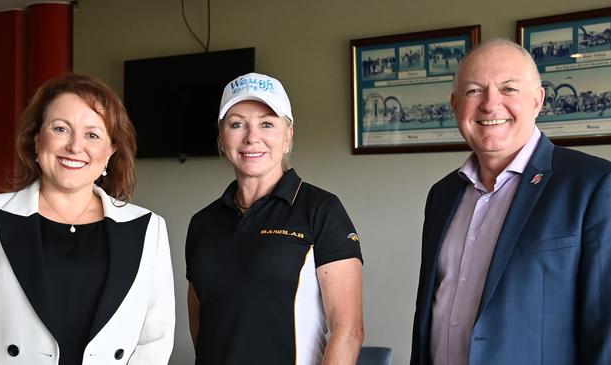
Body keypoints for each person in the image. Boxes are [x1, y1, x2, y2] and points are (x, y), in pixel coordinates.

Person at [410, 38, 611, 365]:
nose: (490, 104)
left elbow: (606, 333)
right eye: (474, 90)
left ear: (538, 100)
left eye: (509, 89)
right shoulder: (442, 195)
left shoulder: (593, 185)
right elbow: (428, 317)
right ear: (455, 105)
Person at [0, 73, 175, 364]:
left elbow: (155, 342)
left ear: (111, 149)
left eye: (92, 134)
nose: (75, 146)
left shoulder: (148, 227)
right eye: (61, 129)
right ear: (37, 138)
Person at [185, 72, 364, 364]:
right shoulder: (203, 223)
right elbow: (202, 327)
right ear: (222, 134)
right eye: (237, 124)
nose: (252, 137)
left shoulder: (321, 209)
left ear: (288, 135)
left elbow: (349, 330)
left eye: (267, 123)